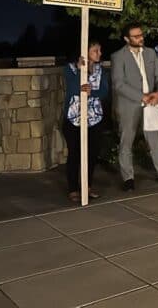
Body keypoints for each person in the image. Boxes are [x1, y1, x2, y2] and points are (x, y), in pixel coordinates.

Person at [111, 22, 158, 191]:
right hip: (129, 105)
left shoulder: (151, 53)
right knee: (126, 141)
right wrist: (141, 96)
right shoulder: (118, 56)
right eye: (136, 36)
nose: (140, 38)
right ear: (126, 38)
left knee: (155, 140)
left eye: (141, 34)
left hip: (151, 103)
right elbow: (118, 84)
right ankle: (128, 178)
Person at [62, 41, 109, 202]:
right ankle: (73, 189)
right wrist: (81, 69)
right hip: (73, 119)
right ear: (85, 51)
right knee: (74, 154)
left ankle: (87, 187)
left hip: (94, 119)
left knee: (91, 154)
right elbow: (74, 88)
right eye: (95, 50)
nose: (99, 53)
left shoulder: (100, 69)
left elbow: (104, 91)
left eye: (100, 50)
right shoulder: (70, 69)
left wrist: (92, 92)